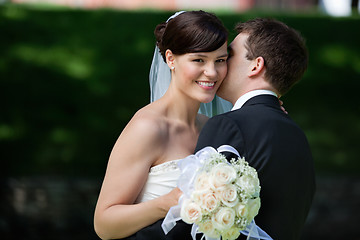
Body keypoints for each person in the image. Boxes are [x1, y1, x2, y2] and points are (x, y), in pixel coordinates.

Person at [93, 10, 229, 240]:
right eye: (199, 60)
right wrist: (167, 202)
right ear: (170, 59)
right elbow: (104, 224)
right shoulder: (148, 128)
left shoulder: (211, 128)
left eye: (221, 60)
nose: (212, 72)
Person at [194, 18, 316, 239]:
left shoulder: (229, 125)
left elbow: (200, 223)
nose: (220, 63)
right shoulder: (299, 137)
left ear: (256, 65)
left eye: (229, 55)